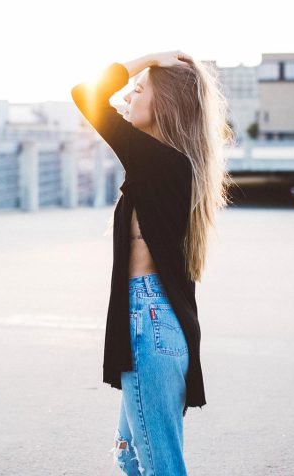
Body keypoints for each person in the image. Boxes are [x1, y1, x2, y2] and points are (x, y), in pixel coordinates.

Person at [71, 51, 233, 475]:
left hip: (150, 320)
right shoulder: (168, 165)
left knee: (162, 467)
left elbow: (86, 95)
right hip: (154, 318)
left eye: (138, 90)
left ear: (164, 105)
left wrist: (150, 58)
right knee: (130, 456)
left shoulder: (160, 163)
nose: (127, 96)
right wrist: (148, 72)